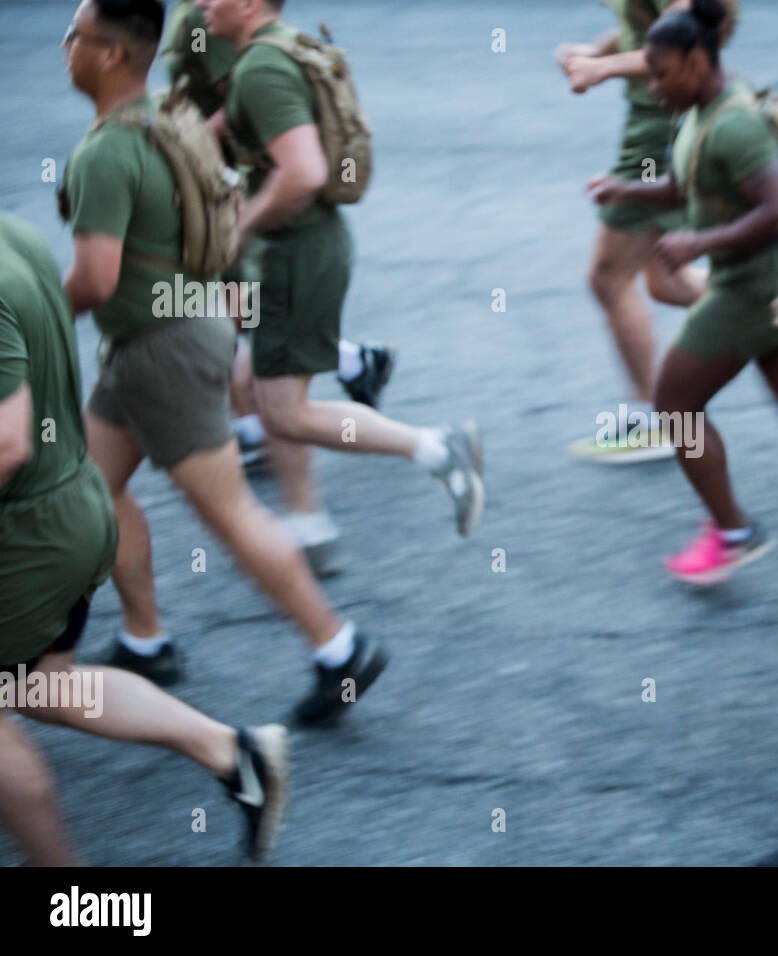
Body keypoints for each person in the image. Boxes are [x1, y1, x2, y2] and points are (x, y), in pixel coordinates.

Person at [61, 0, 386, 725]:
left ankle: (339, 647)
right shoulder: (168, 120)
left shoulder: (107, 150)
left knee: (232, 513)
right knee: (92, 488)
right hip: (166, 335)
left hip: (161, 348)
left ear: (110, 54)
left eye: (78, 36)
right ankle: (147, 639)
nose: (66, 46)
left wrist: (30, 316)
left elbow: (95, 280)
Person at [0, 207, 287, 865]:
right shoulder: (14, 234)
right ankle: (233, 751)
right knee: (39, 685)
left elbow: (9, 439)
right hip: (74, 505)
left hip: (24, 536)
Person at [198, 0, 486, 572]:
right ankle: (311, 524)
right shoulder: (285, 47)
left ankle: (435, 449)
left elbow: (303, 171)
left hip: (294, 253)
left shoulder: (261, 67)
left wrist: (238, 227)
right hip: (307, 247)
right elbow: (247, 128)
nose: (203, 4)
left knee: (284, 412)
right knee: (273, 394)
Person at [591, 0, 778, 582]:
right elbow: (687, 185)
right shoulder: (698, 113)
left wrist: (696, 244)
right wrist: (625, 190)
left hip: (750, 288)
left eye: (662, 72)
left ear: (697, 58)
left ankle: (733, 531)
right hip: (758, 288)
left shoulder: (733, 122)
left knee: (674, 405)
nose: (654, 87)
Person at [162, 0, 397, 479]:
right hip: (249, 194)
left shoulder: (214, 30)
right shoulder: (205, 15)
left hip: (241, 188)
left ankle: (262, 432)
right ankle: (338, 372)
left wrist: (190, 154)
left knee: (224, 313)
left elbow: (249, 102)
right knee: (234, 314)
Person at [558, 0, 710, 461]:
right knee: (666, 282)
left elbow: (687, 41)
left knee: (607, 278)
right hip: (655, 118)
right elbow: (643, 24)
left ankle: (660, 420)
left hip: (662, 125)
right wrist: (593, 49)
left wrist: (602, 68)